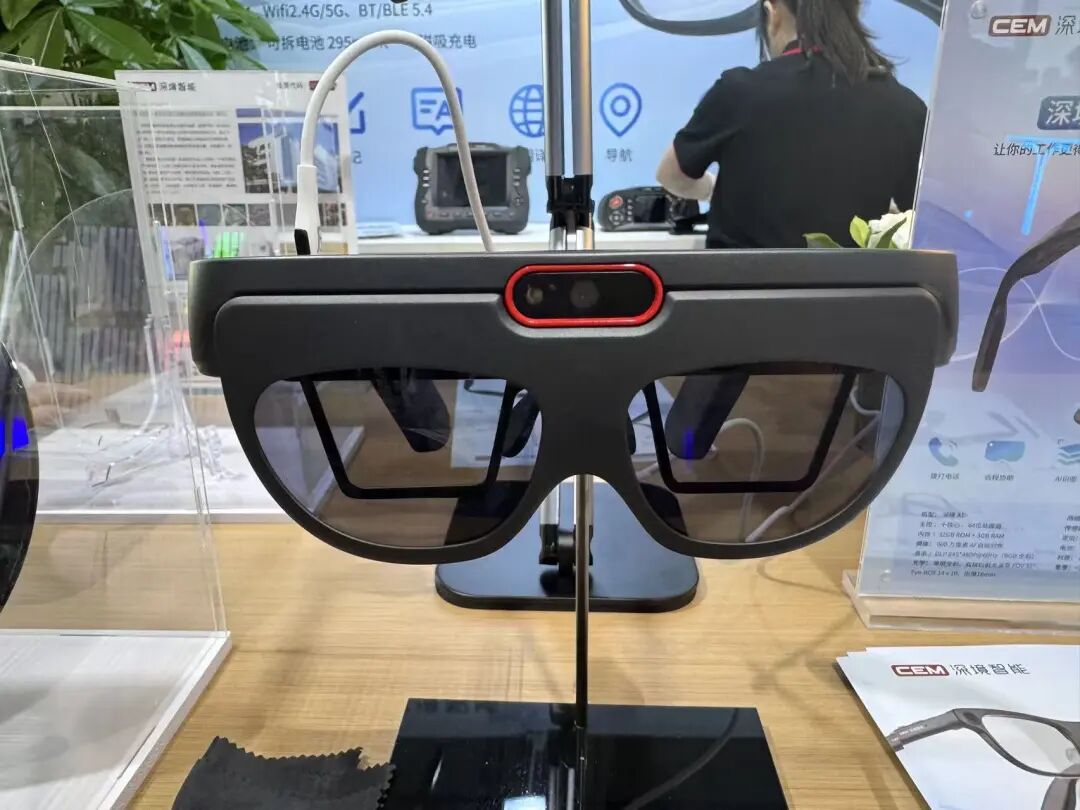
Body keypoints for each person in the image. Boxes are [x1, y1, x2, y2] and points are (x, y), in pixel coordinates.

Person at [656, 0, 927, 249]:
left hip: (740, 285)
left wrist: (710, 189)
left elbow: (671, 175)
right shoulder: (904, 106)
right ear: (854, 11)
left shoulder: (737, 92)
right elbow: (927, 216)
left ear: (772, 13)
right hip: (855, 287)